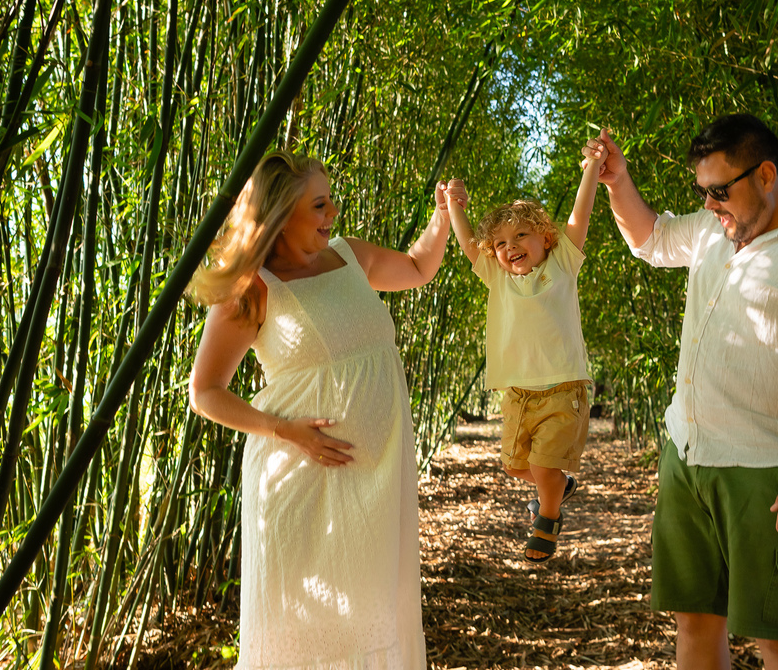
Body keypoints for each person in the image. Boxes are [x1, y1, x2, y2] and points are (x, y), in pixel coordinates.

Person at [584, 116, 778, 669]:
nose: (711, 205)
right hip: (688, 457)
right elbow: (649, 238)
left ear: (766, 175)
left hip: (766, 472)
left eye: (720, 191)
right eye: (703, 193)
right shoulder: (714, 231)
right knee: (695, 623)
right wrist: (619, 183)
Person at [187, 151, 456, 669]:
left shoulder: (351, 256)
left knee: (375, 622)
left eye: (330, 200)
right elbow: (206, 391)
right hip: (303, 485)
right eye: (319, 204)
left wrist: (442, 217)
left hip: (376, 487)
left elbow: (420, 266)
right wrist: (285, 430)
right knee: (310, 638)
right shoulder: (255, 286)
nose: (333, 211)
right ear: (282, 213)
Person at [443, 138, 605, 563]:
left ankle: (547, 521)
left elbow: (580, 214)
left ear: (546, 238)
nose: (509, 246)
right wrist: (454, 204)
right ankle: (557, 490)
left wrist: (592, 167)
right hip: (517, 392)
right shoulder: (497, 278)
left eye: (520, 235)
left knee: (546, 468)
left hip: (562, 388)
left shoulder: (562, 264)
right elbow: (465, 244)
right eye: (499, 243)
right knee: (520, 467)